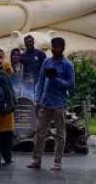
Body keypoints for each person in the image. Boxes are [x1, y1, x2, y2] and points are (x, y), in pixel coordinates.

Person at [29, 37, 75, 171]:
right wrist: (37, 99)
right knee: (39, 132)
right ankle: (36, 160)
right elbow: (41, 81)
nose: (54, 49)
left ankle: (57, 162)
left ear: (62, 48)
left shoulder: (67, 65)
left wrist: (56, 79)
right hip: (45, 102)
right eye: (53, 47)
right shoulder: (47, 61)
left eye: (57, 47)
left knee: (60, 134)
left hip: (59, 103)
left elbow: (71, 84)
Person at [19, 34, 46, 98]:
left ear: (33, 42)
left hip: (38, 84)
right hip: (27, 84)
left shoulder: (40, 54)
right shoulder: (22, 56)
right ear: (25, 44)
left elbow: (45, 68)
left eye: (30, 41)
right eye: (27, 42)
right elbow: (19, 70)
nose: (29, 43)